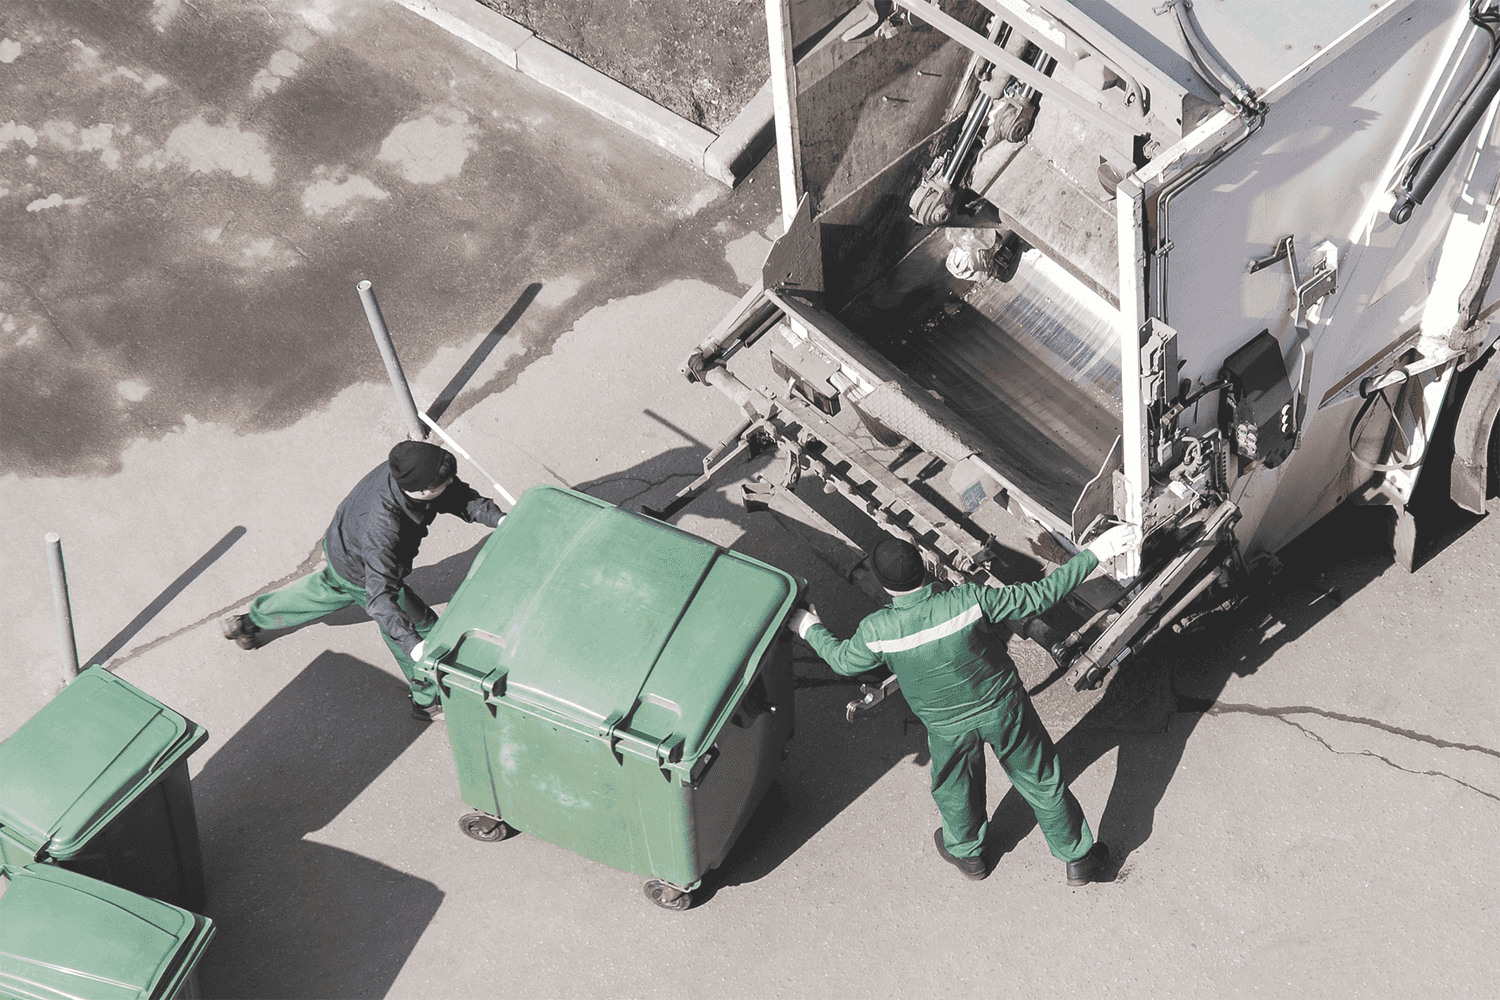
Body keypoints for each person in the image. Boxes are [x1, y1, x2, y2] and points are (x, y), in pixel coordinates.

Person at [788, 525, 1135, 884]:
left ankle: (968, 854)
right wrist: (1097, 551)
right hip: (1004, 708)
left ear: (884, 585)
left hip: (946, 727)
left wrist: (808, 626)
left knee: (955, 786)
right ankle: (1077, 856)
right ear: (924, 568)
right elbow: (1041, 595)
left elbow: (844, 661)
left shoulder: (878, 631)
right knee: (1040, 777)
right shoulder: (968, 599)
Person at [223, 440, 505, 721]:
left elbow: (456, 495)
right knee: (422, 630)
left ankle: (248, 621)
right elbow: (381, 597)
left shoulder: (411, 468)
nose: (451, 483)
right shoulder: (383, 527)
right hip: (362, 568)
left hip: (344, 548)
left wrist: (499, 519)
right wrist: (412, 643)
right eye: (443, 483)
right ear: (421, 491)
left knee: (325, 589)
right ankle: (426, 700)